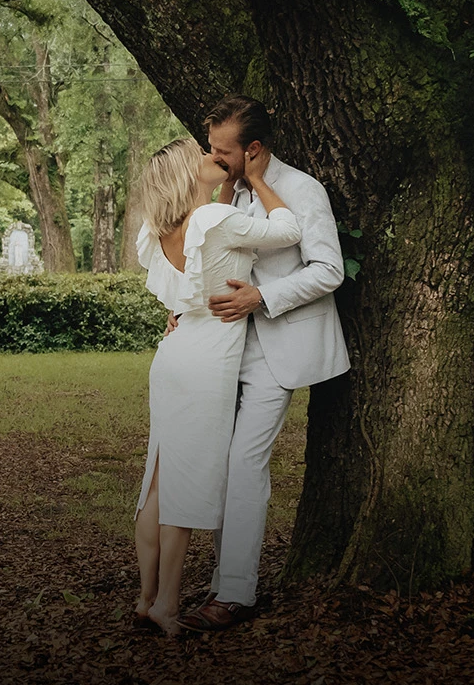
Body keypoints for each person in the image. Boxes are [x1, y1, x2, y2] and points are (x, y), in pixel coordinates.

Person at [175, 94, 350, 633]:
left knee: (244, 463)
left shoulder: (302, 190)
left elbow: (329, 270)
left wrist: (261, 298)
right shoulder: (228, 192)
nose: (214, 156)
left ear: (252, 148)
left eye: (222, 150)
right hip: (223, 349)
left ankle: (235, 594)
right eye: (211, 147)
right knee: (218, 462)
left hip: (280, 348)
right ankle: (222, 580)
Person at [130, 136, 301, 636]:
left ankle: (145, 597)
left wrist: (228, 188)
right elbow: (288, 230)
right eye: (202, 156)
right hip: (206, 362)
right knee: (184, 485)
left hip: (173, 355)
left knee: (159, 480)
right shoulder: (212, 220)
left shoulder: (160, 229)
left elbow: (195, 273)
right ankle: (165, 603)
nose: (213, 158)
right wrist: (258, 181)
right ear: (188, 174)